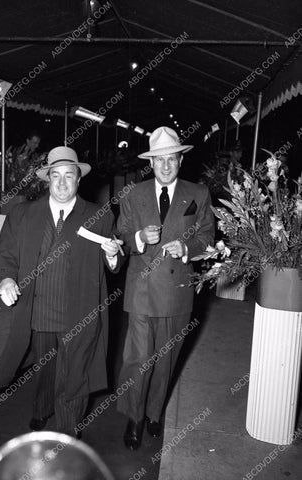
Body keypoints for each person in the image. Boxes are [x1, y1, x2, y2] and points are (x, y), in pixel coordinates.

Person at [0, 146, 124, 437]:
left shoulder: (98, 215)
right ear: (47, 180)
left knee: (74, 372)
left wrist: (113, 254)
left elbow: (113, 262)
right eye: (56, 176)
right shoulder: (23, 214)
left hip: (79, 310)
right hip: (37, 308)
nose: (62, 183)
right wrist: (6, 280)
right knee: (45, 367)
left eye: (69, 175)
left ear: (79, 180)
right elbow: (6, 256)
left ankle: (67, 432)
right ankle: (41, 409)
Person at [116, 126, 214, 450]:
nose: (166, 166)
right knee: (138, 358)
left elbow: (207, 238)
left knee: (166, 358)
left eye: (171, 159)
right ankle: (134, 417)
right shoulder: (133, 193)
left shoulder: (198, 194)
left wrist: (186, 249)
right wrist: (141, 238)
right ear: (151, 163)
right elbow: (122, 236)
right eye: (160, 161)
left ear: (180, 160)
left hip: (177, 289)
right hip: (141, 290)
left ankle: (155, 413)